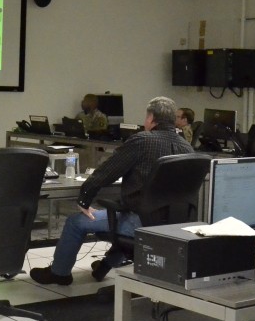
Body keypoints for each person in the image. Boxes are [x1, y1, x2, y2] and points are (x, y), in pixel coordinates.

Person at [30, 96, 193, 285]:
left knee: (75, 222)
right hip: (174, 225)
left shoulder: (142, 140)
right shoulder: (187, 147)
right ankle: (104, 266)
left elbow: (107, 172)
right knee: (124, 215)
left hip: (142, 222)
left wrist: (84, 199)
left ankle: (59, 273)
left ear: (150, 118)